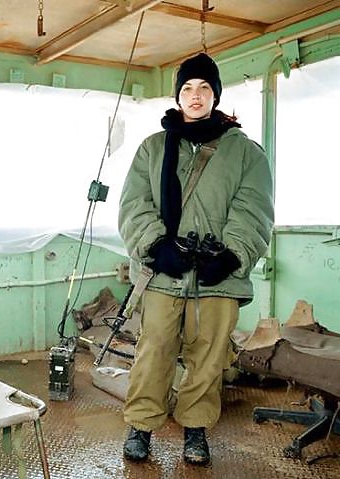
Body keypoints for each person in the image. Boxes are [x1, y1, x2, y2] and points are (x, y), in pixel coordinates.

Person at [117, 52, 274, 465]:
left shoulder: (246, 152)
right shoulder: (153, 148)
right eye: (187, 88)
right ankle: (141, 426)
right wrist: (155, 246)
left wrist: (232, 255)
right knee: (153, 353)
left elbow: (254, 208)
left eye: (204, 87)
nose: (196, 95)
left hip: (217, 277)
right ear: (178, 95)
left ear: (216, 95)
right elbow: (134, 204)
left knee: (207, 359)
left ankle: (196, 430)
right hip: (162, 275)